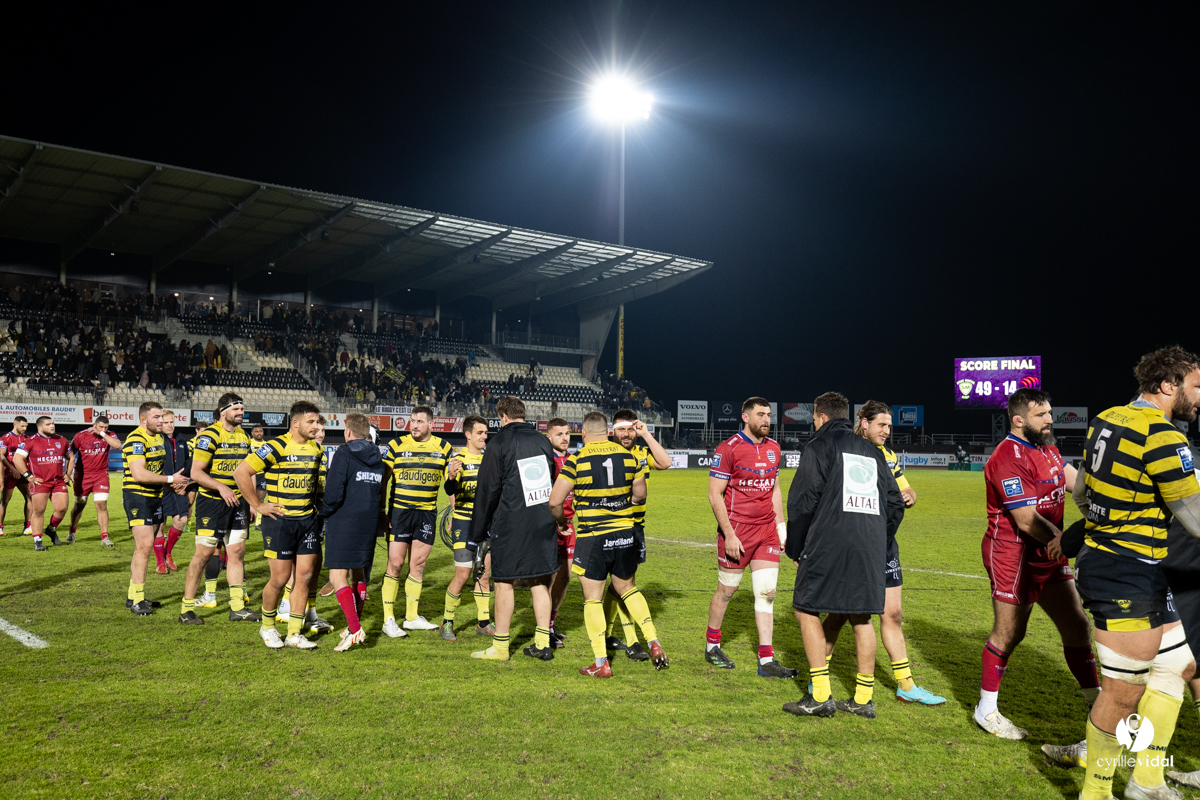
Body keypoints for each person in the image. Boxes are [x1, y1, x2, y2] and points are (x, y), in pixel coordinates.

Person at [1072, 347, 1200, 800]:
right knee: (1123, 692)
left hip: (1130, 566)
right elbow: (1195, 518)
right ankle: (1096, 792)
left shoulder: (1108, 418)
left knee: (1175, 668)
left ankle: (1146, 782)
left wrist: (1104, 525)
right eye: (1196, 386)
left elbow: (1082, 491)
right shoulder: (1165, 437)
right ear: (1169, 385)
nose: (1199, 396)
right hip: (1123, 572)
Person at [970, 388, 1099, 747]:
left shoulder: (1048, 448)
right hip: (1014, 555)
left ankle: (1097, 704)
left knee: (1076, 625)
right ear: (1018, 419)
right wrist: (1066, 542)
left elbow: (1077, 484)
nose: (1049, 420)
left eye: (1050, 413)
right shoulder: (1007, 457)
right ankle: (987, 709)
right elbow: (1026, 521)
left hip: (1049, 551)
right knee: (1010, 633)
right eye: (1041, 415)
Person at [782, 391, 904, 718]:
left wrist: (796, 547)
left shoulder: (818, 446)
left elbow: (802, 504)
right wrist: (880, 538)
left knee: (805, 609)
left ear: (821, 417)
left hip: (828, 545)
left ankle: (820, 694)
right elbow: (895, 503)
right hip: (869, 548)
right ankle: (863, 700)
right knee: (861, 616)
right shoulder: (874, 453)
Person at [819, 401, 944, 706]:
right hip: (856, 542)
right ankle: (818, 677)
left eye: (890, 426)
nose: (887, 431)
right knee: (840, 614)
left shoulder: (887, 455)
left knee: (893, 613)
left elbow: (908, 490)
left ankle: (905, 684)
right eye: (881, 425)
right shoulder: (846, 450)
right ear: (863, 422)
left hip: (885, 542)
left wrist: (907, 496)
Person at [551, 411, 668, 675]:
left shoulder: (576, 460)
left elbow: (555, 502)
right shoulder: (631, 457)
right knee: (627, 588)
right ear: (607, 431)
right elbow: (639, 495)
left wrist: (561, 524)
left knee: (592, 598)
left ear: (583, 433)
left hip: (593, 537)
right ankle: (652, 639)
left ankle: (601, 663)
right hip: (626, 534)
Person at [704, 397, 798, 679]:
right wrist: (729, 535)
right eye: (760, 415)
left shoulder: (774, 448)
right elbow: (714, 494)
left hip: (766, 531)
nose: (767, 420)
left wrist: (781, 528)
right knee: (727, 591)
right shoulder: (729, 449)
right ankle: (711, 646)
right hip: (738, 533)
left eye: (769, 414)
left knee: (767, 594)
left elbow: (775, 490)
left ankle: (766, 660)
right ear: (745, 417)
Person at [470, 396, 560, 662]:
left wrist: (477, 532)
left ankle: (500, 648)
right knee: (539, 581)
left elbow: (488, 491)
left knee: (504, 582)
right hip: (542, 520)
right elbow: (551, 480)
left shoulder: (499, 442)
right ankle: (543, 642)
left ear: (503, 417)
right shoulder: (542, 441)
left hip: (511, 522)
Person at [234, 401, 326, 649]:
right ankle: (268, 627)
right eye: (311, 422)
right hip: (280, 522)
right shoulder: (275, 446)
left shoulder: (317, 450)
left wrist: (318, 504)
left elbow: (316, 484)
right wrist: (256, 504)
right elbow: (241, 472)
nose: (316, 426)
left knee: (305, 576)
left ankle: (294, 634)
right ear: (295, 423)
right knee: (280, 578)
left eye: (317, 422)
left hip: (307, 521)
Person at [181, 394, 258, 624]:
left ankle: (237, 608)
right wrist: (221, 487)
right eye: (236, 409)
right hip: (212, 503)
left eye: (243, 409)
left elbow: (248, 471)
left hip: (238, 503)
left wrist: (252, 501)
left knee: (236, 553)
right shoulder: (209, 436)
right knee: (203, 554)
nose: (241, 413)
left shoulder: (244, 436)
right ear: (223, 412)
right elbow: (196, 472)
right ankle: (186, 609)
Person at [604, 409, 672, 660]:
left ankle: (609, 633)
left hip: (636, 525)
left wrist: (647, 435)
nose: (626, 434)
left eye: (630, 429)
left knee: (620, 584)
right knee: (626, 584)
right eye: (621, 429)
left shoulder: (642, 453)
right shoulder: (608, 453)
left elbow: (665, 463)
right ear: (613, 431)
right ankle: (632, 640)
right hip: (613, 524)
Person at [379, 406, 453, 636]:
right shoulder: (396, 446)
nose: (414, 425)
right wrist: (382, 510)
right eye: (412, 421)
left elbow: (450, 483)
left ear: (431, 424)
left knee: (418, 565)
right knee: (395, 564)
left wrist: (454, 510)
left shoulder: (444, 447)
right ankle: (388, 619)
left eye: (420, 421)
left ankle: (411, 617)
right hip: (400, 512)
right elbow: (383, 480)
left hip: (427, 514)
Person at [320, 413, 385, 652]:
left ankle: (355, 629)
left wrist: (323, 512)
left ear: (347, 432)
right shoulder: (378, 457)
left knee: (338, 577)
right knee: (359, 573)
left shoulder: (343, 453)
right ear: (367, 434)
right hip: (368, 522)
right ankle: (352, 627)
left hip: (343, 521)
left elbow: (334, 493)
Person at [122, 402, 188, 615]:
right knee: (145, 545)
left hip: (155, 495)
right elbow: (139, 474)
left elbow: (156, 472)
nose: (161, 421)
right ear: (143, 420)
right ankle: (138, 600)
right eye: (156, 417)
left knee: (142, 547)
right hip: (138, 497)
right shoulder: (136, 439)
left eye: (162, 417)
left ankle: (134, 595)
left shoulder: (159, 438)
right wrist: (170, 478)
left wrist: (170, 485)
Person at [439, 415, 493, 641]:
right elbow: (450, 487)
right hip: (463, 521)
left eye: (485, 432)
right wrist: (451, 477)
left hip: (487, 523)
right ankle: (447, 621)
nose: (484, 436)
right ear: (468, 434)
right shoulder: (457, 460)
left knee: (484, 574)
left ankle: (483, 622)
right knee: (463, 574)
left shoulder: (490, 459)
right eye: (480, 432)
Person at [13, 416, 70, 551]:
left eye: (53, 423)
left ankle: (51, 529)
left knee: (62, 508)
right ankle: (37, 540)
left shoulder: (61, 440)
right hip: (40, 481)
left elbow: (71, 456)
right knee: (39, 510)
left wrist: (68, 472)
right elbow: (17, 459)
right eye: (48, 424)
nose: (52, 426)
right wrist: (28, 476)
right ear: (40, 428)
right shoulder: (30, 441)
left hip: (57, 481)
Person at [66, 415, 121, 547]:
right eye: (101, 426)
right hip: (83, 476)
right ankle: (72, 531)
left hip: (100, 475)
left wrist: (102, 433)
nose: (104, 429)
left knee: (102, 505)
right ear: (94, 424)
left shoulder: (109, 434)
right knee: (79, 506)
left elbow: (118, 445)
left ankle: (105, 537)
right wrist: (68, 473)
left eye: (106, 427)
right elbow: (69, 454)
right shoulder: (81, 435)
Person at [155, 411, 195, 575]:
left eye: (172, 422)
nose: (170, 425)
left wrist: (187, 483)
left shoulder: (181, 440)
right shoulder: (156, 440)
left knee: (181, 520)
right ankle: (159, 563)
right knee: (161, 524)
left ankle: (167, 552)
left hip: (179, 487)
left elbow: (187, 462)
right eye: (166, 423)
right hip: (161, 486)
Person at [547, 418, 575, 648]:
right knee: (550, 577)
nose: (565, 438)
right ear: (549, 437)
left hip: (570, 524)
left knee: (566, 576)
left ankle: (551, 622)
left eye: (567, 433)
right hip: (550, 524)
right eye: (559, 434)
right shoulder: (547, 460)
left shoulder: (572, 460)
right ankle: (543, 627)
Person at [0, 415, 33, 537]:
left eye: (26, 426)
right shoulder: (6, 438)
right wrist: (12, 469)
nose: (24, 428)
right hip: (10, 474)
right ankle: (0, 528)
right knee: (4, 501)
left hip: (23, 474)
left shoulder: (27, 439)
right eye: (22, 426)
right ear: (15, 425)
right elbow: (1, 456)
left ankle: (28, 527)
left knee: (30, 498)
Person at [249, 424, 267, 528]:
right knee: (248, 496)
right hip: (250, 475)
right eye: (256, 431)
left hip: (262, 475)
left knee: (261, 497)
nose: (259, 433)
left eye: (260, 431)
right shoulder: (249, 443)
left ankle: (258, 523)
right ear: (252, 433)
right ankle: (248, 516)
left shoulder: (266, 445)